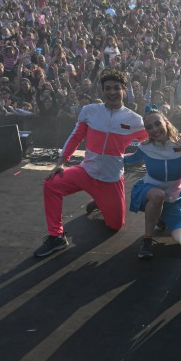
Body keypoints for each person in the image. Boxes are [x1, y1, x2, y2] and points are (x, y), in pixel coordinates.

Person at [34, 70, 147, 257]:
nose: (112, 92)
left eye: (117, 88)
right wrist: (61, 162)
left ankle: (100, 201)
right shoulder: (89, 111)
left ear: (124, 90)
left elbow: (153, 139)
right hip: (85, 173)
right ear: (102, 91)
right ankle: (56, 237)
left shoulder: (135, 120)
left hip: (110, 180)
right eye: (108, 88)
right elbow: (76, 136)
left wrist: (179, 144)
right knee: (51, 184)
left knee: (115, 226)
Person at [124, 106, 181, 259]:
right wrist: (106, 157)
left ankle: (161, 216)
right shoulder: (145, 147)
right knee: (158, 195)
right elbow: (128, 159)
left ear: (166, 122)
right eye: (149, 127)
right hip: (148, 190)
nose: (154, 129)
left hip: (173, 198)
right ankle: (147, 240)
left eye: (157, 124)